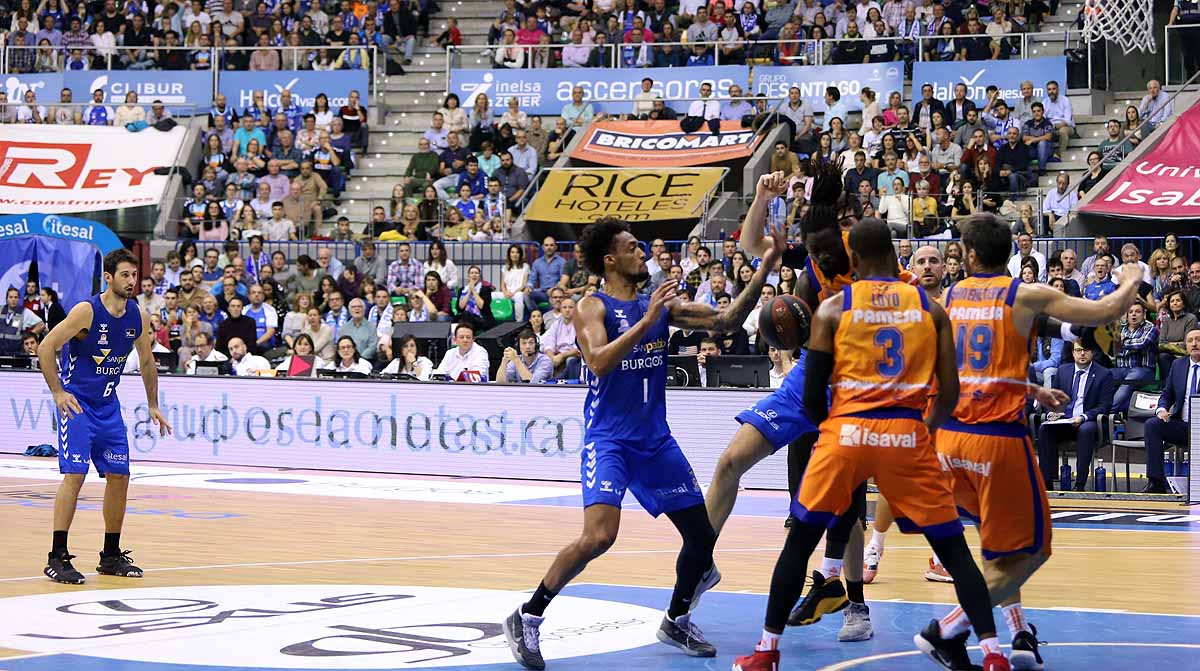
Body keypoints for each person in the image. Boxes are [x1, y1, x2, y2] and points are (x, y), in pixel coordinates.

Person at [503, 216, 787, 670]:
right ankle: (529, 614)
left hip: (655, 441)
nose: (644, 253)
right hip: (609, 440)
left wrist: (767, 264)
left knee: (701, 537)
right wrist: (648, 320)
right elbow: (597, 362)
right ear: (611, 259)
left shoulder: (662, 306)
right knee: (600, 536)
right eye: (634, 248)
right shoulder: (591, 308)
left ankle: (676, 618)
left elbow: (728, 317)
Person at [731, 218, 1008, 671]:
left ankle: (766, 652)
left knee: (800, 541)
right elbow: (951, 393)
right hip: (905, 434)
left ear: (854, 260)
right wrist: (922, 429)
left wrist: (834, 435)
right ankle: (994, 655)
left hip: (848, 432)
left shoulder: (833, 309)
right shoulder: (930, 307)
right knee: (955, 552)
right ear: (895, 254)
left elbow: (811, 393)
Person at [930, 213, 1141, 671]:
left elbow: (966, 370)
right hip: (996, 440)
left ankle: (1016, 633)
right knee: (1034, 549)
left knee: (999, 545)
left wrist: (1028, 389)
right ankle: (949, 628)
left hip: (950, 442)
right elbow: (1104, 313)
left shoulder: (949, 296)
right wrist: (1132, 279)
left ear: (968, 255)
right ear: (1010, 252)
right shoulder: (1024, 294)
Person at [36, 249, 173, 584]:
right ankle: (57, 556)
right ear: (109, 278)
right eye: (125, 275)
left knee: (120, 477)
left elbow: (147, 361)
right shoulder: (87, 311)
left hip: (109, 407)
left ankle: (110, 555)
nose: (131, 281)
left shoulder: (136, 316)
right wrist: (58, 392)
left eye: (134, 275)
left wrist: (153, 404)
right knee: (75, 477)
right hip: (79, 405)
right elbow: (45, 348)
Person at [1037, 343, 1114, 491]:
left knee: (1085, 430)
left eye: (1086, 350)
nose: (1082, 354)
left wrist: (1083, 417)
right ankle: (1047, 482)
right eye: (1078, 350)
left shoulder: (1104, 374)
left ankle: (1080, 484)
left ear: (1092, 353)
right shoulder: (1063, 371)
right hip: (1065, 420)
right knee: (1044, 429)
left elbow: (1105, 406)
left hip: (1089, 421)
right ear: (1073, 353)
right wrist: (1052, 412)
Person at [1142, 329, 1200, 493]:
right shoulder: (1178, 365)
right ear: (1185, 345)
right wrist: (1162, 409)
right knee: (1153, 425)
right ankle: (1156, 482)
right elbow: (1167, 394)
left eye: (1198, 340)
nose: (1194, 344)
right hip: (1183, 425)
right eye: (1190, 340)